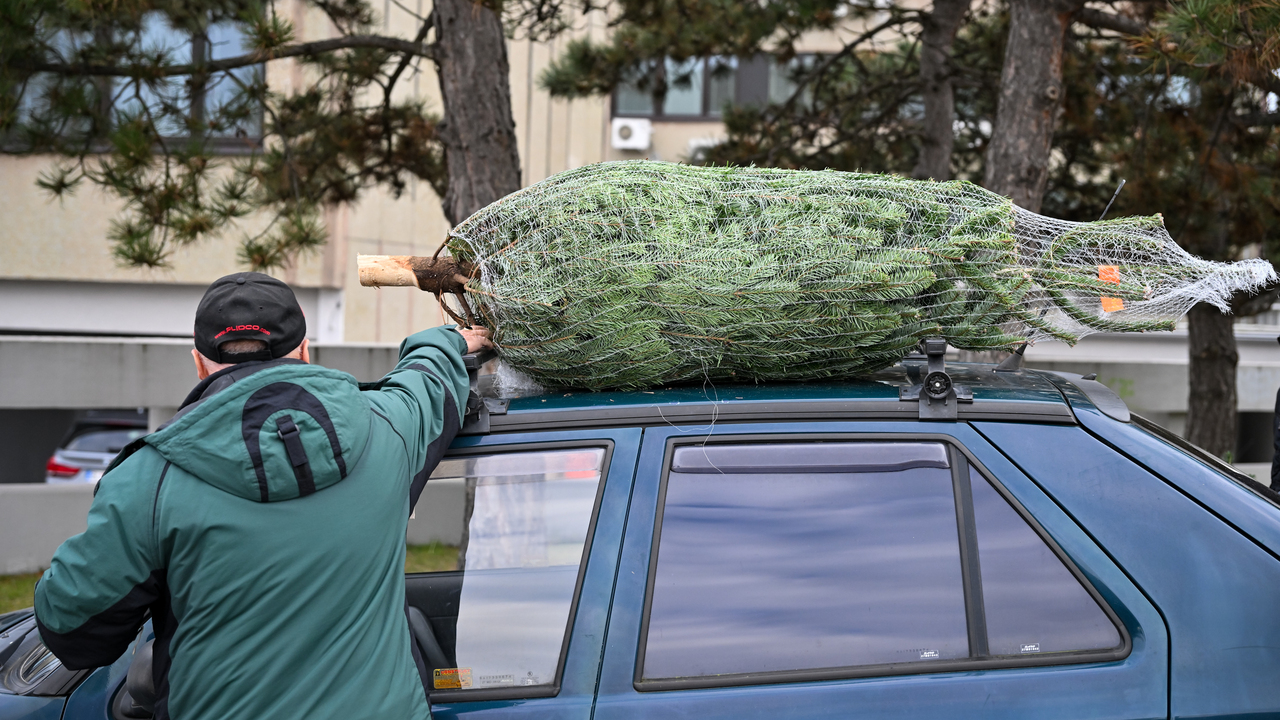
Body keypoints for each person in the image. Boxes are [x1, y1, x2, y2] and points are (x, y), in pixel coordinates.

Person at [33, 272, 492, 720]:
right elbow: (427, 381)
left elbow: (73, 630)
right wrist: (449, 340)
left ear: (198, 362)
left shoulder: (147, 481)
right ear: (305, 351)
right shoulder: (386, 428)